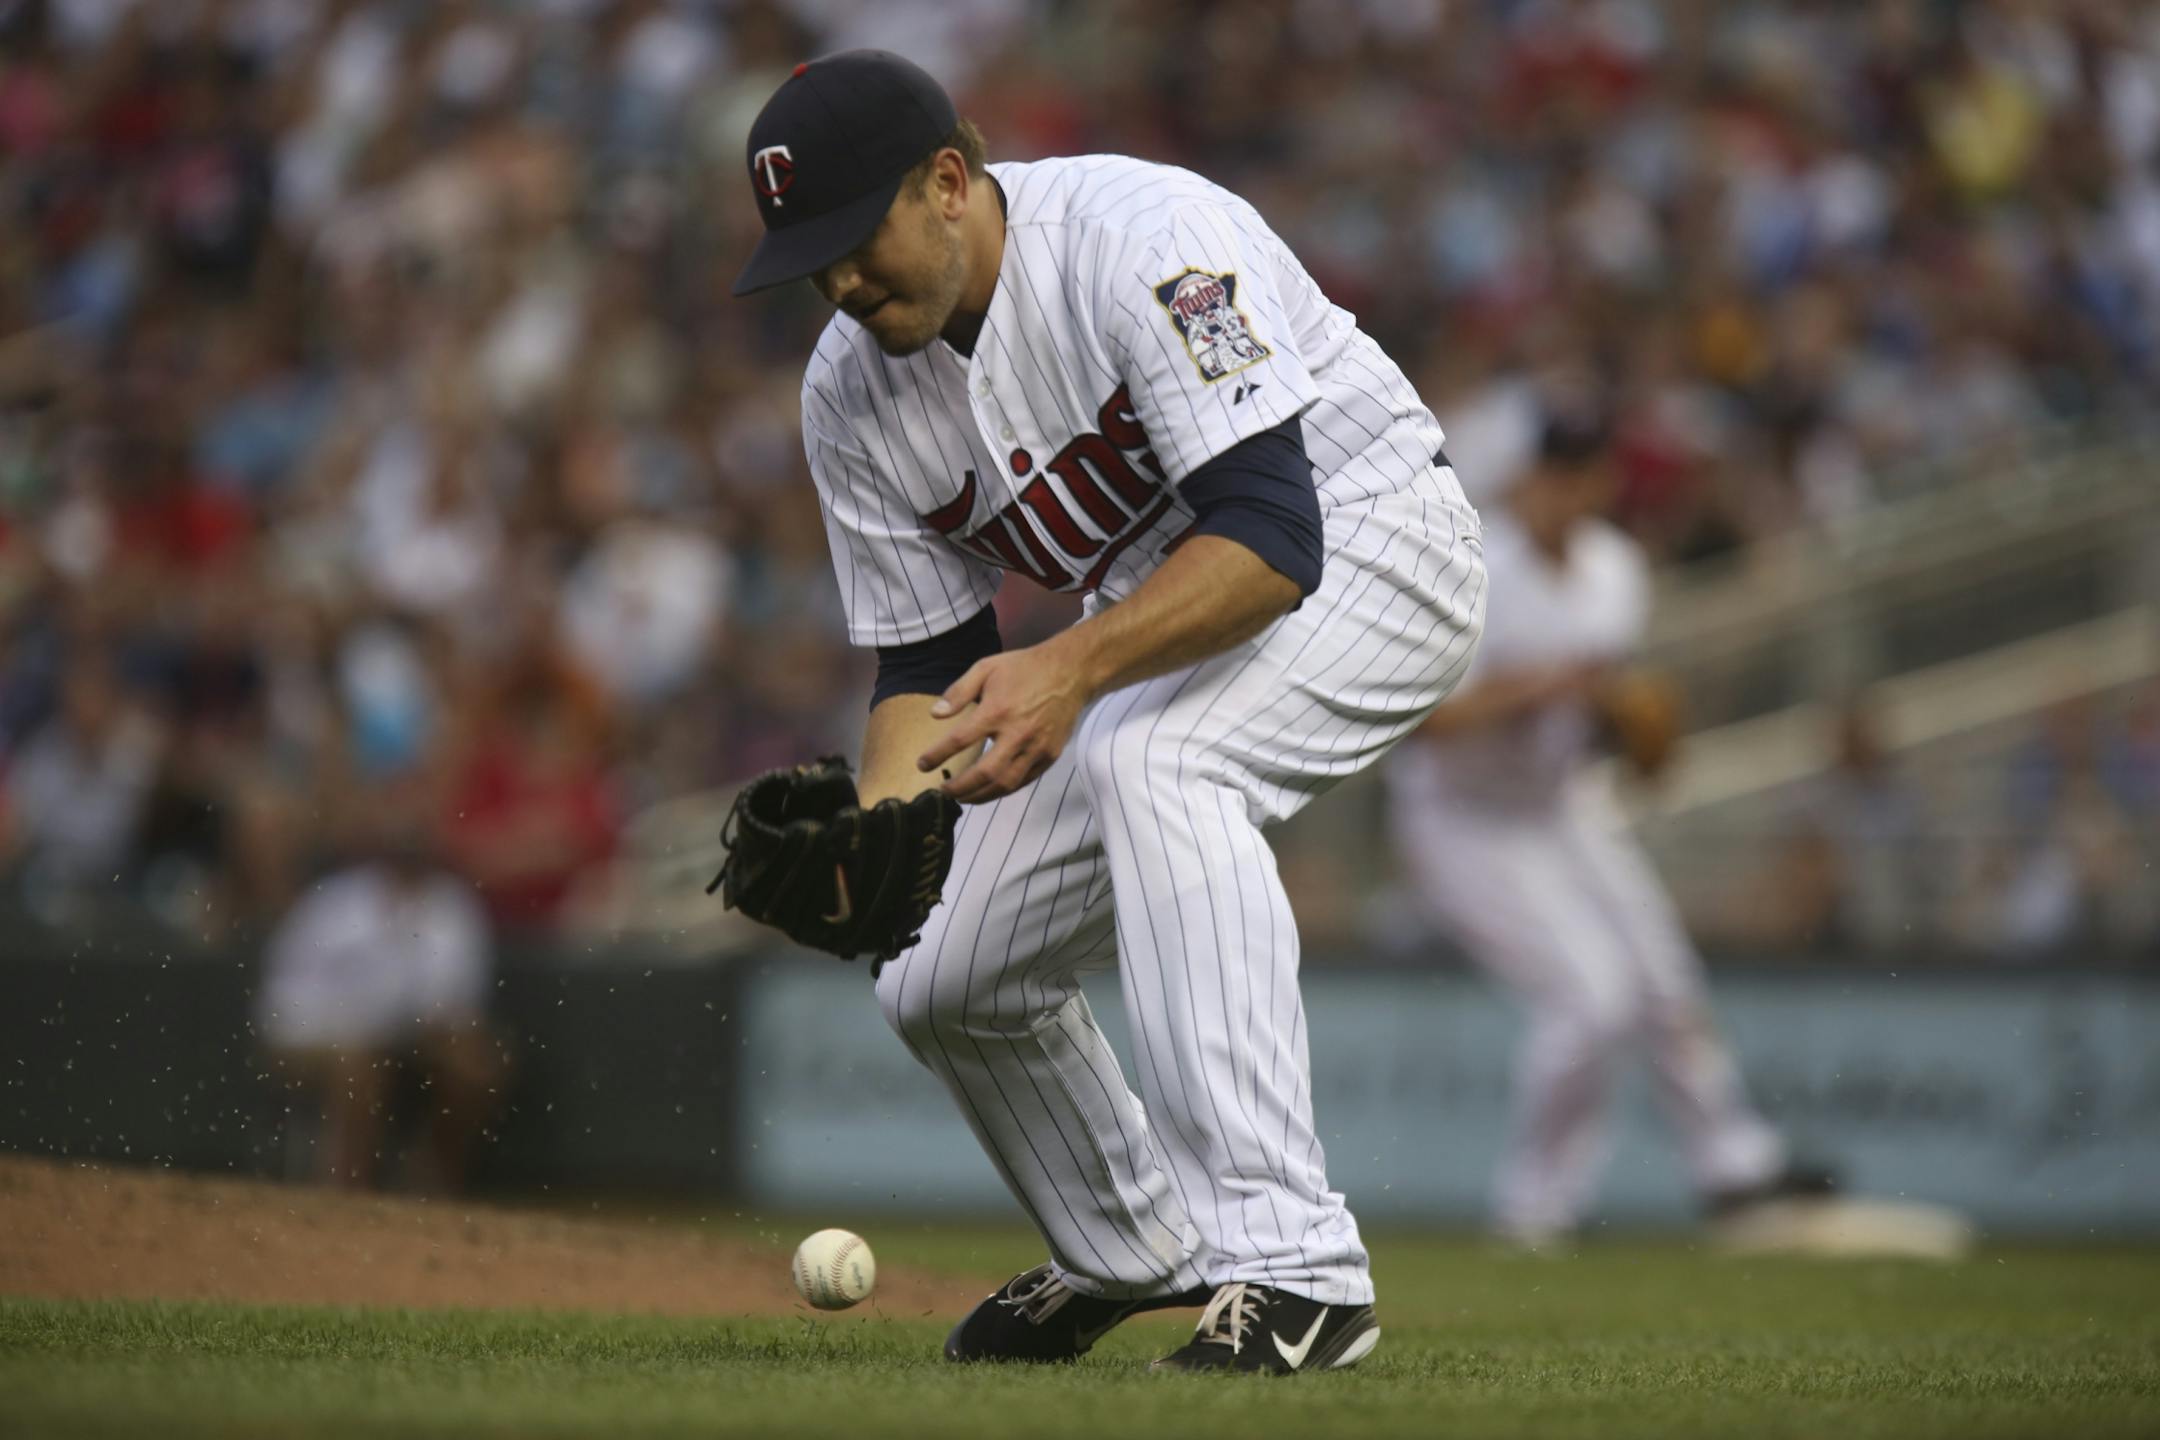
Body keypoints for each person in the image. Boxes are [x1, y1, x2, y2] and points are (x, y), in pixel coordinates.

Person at [730, 51, 1486, 1373]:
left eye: (855, 239)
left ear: (948, 182)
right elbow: (925, 664)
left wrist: (1074, 669)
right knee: (938, 971)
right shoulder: (849, 393)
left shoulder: (1145, 240)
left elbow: (1273, 537)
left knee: (1157, 760)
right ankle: (1131, 1247)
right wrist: (880, 831)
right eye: (811, 262)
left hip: (1375, 538)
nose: (839, 282)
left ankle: (1297, 1270)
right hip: (1153, 624)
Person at [1384, 409, 1831, 1248]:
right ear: (1529, 476)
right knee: (1590, 1001)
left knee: (1664, 978)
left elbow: (1610, 727)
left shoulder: (1616, 571)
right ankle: (1535, 1211)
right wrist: (1546, 687)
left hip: (1562, 802)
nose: (1560, 490)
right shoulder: (1475, 567)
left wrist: (1631, 730)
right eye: (1550, 470)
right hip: (1461, 816)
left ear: (1602, 482)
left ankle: (1734, 1166)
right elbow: (1421, 721)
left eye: (1579, 472)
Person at [255, 822, 507, 1193]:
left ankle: (432, 1185)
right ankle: (344, 1188)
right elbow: (285, 999)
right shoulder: (335, 900)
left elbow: (455, 1004)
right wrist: (351, 1028)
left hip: (406, 1039)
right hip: (314, 1036)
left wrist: (429, 1029)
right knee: (359, 1065)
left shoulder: (451, 905)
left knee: (476, 1064)